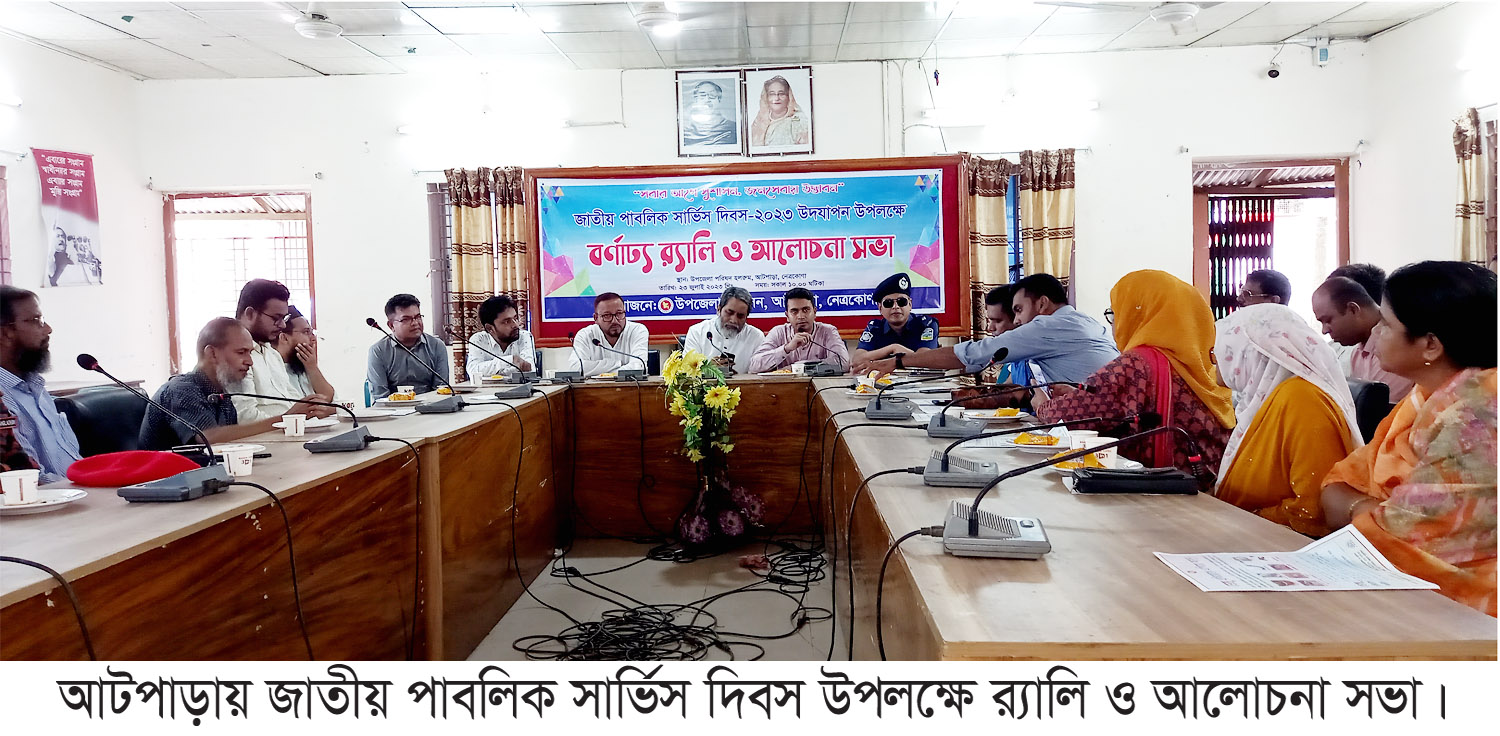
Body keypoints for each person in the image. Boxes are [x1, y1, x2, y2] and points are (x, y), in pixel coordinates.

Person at [1319, 261, 1496, 616]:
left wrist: (1366, 512)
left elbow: (1403, 537)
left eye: (1386, 324)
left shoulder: (1478, 417)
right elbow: (1335, 485)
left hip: (1473, 611)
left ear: (1430, 345)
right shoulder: (1422, 401)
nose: (1375, 332)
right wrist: (1372, 511)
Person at [1035, 270, 1235, 473]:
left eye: (1115, 313)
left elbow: (1065, 417)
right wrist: (1079, 396)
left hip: (1161, 488)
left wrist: (1041, 404)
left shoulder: (1138, 363)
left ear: (1135, 314)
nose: (1114, 323)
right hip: (1209, 483)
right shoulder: (1207, 367)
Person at [1212, 304, 1363, 537]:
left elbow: (1312, 510)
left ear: (1250, 354)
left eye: (1217, 353)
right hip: (1247, 534)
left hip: (1277, 544)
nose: (1214, 364)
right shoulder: (1260, 399)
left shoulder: (1303, 401)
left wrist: (1243, 518)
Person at [853, 273, 1118, 392]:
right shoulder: (1081, 321)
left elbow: (975, 353)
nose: (1017, 320)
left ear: (1042, 304)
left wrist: (898, 361)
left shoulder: (1051, 326)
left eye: (1018, 310)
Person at [140, 318, 329, 450]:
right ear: (212, 353)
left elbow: (234, 439)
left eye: (250, 353)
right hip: (161, 486)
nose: (250, 361)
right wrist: (285, 419)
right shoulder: (181, 389)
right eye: (241, 352)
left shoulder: (223, 392)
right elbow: (209, 438)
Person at [0, 286, 80, 482]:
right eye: (36, 320)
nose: (48, 329)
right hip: (50, 498)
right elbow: (30, 479)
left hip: (78, 492)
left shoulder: (35, 386)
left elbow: (73, 463)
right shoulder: (3, 401)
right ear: (5, 333)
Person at [229, 280, 333, 421]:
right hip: (272, 434)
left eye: (283, 318)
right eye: (276, 318)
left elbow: (293, 402)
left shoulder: (272, 354)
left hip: (294, 429)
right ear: (250, 314)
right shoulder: (236, 357)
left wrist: (316, 409)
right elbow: (245, 419)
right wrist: (290, 418)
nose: (283, 325)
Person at [1312, 276, 1414, 402]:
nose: (1324, 330)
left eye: (1328, 320)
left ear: (1353, 309)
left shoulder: (1396, 345)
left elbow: (1381, 410)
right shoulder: (1357, 354)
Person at [748, 287, 849, 373]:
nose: (801, 316)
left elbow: (843, 363)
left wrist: (797, 367)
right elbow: (754, 366)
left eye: (806, 310)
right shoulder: (778, 332)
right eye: (794, 311)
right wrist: (787, 348)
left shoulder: (828, 331)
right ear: (787, 316)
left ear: (814, 312)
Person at [367, 294, 450, 398]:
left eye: (418, 317)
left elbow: (441, 390)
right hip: (394, 406)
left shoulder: (436, 346)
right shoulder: (378, 351)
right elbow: (380, 396)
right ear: (391, 325)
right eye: (406, 319)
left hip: (431, 405)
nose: (415, 323)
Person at [850, 273, 939, 366]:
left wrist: (894, 358)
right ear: (880, 308)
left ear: (910, 304)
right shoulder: (874, 327)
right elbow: (857, 360)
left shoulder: (926, 324)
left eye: (901, 302)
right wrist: (892, 348)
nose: (895, 307)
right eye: (888, 303)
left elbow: (924, 359)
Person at [685, 286, 764, 375]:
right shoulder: (697, 332)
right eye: (729, 313)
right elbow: (687, 372)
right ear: (719, 309)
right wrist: (709, 370)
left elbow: (761, 375)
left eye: (740, 316)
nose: (734, 320)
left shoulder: (756, 337)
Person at [568, 292, 649, 377]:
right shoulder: (585, 335)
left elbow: (638, 367)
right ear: (596, 318)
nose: (614, 320)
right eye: (607, 315)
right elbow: (576, 368)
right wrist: (616, 364)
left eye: (619, 314)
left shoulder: (637, 331)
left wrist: (601, 372)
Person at [466, 294, 536, 380]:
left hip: (519, 388)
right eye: (507, 322)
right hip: (487, 388)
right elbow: (474, 371)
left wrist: (491, 371)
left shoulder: (524, 336)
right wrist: (511, 360)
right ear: (489, 328)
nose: (515, 325)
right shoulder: (478, 340)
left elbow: (529, 370)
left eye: (515, 318)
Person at [275, 306, 335, 400]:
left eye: (312, 332)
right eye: (306, 332)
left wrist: (312, 368)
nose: (313, 339)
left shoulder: (302, 366)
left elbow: (329, 398)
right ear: (284, 338)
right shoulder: (273, 368)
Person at [750, 75, 810, 147]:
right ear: (766, 97)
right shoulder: (759, 122)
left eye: (781, 94)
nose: (776, 98)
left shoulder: (799, 121)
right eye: (772, 94)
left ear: (789, 97)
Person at [681, 80, 737, 146]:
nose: (707, 99)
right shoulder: (686, 131)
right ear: (696, 100)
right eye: (702, 95)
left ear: (719, 99)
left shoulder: (732, 128)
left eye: (712, 95)